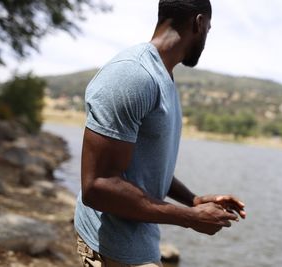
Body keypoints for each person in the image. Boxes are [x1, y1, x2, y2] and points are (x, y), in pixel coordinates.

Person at [74, 0, 246, 266]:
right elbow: (98, 186)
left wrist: (194, 200)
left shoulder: (164, 77)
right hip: (110, 247)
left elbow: (148, 165)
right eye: (209, 30)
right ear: (199, 23)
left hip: (138, 244)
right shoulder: (133, 74)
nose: (206, 38)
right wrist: (190, 218)